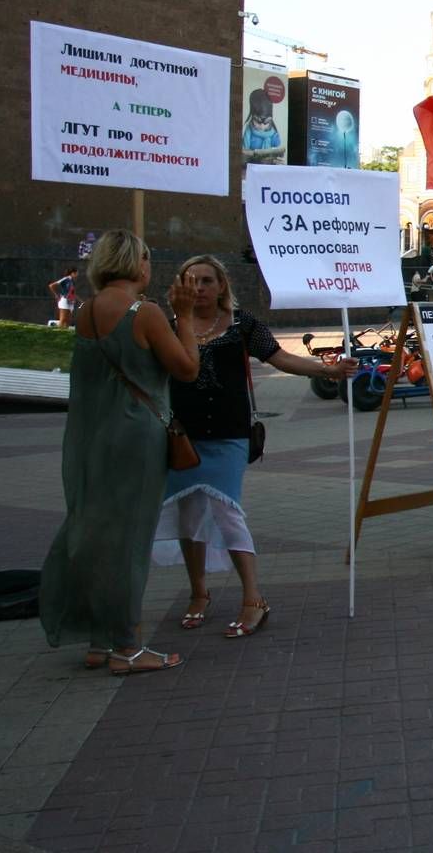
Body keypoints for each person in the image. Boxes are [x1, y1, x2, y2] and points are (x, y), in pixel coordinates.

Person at [154, 255, 357, 638]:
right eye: (191, 280)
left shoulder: (241, 324)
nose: (198, 288)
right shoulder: (169, 327)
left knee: (228, 511)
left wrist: (328, 370)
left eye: (206, 281)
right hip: (183, 436)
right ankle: (199, 593)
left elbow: (279, 358)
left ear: (221, 286)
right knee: (188, 514)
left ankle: (253, 598)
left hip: (229, 434)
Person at [40, 230, 201, 674]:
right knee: (130, 541)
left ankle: (100, 639)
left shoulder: (88, 310)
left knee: (98, 535)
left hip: (96, 436)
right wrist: (183, 317)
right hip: (137, 438)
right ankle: (127, 646)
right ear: (138, 264)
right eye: (147, 259)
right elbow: (187, 369)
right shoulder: (143, 312)